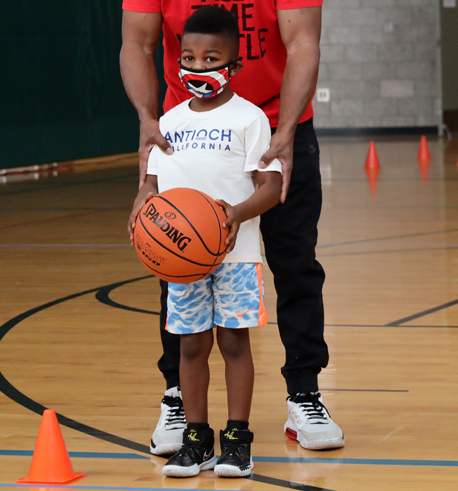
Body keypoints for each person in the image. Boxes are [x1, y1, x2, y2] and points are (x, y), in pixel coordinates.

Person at [119, 0, 345, 456]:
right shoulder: (176, 119)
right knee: (177, 258)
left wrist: (284, 132)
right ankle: (178, 398)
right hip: (188, 129)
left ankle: (304, 393)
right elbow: (137, 44)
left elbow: (303, 42)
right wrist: (148, 121)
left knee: (296, 259)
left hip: (276, 123)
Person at [127, 7, 282, 477]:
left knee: (234, 344)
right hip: (184, 262)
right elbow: (151, 186)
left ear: (234, 66)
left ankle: (237, 440)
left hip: (236, 256)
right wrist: (140, 207)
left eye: (211, 58)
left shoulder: (250, 119)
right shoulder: (168, 122)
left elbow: (272, 188)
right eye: (189, 58)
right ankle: (197, 440)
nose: (197, 68)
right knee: (190, 348)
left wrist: (234, 213)